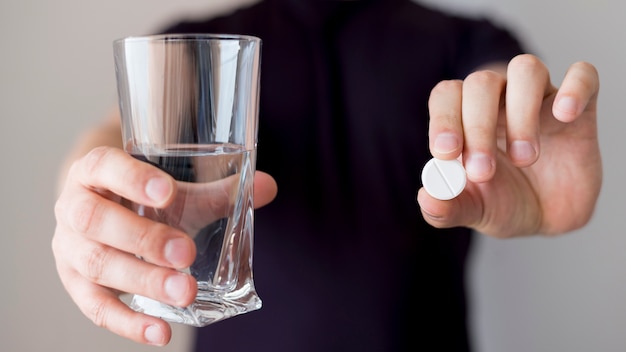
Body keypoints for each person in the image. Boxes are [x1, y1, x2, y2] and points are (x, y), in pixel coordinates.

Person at [52, 0, 602, 351]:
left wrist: (526, 133)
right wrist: (93, 196)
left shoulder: (463, 41)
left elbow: (501, 89)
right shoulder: (198, 42)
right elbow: (120, 134)